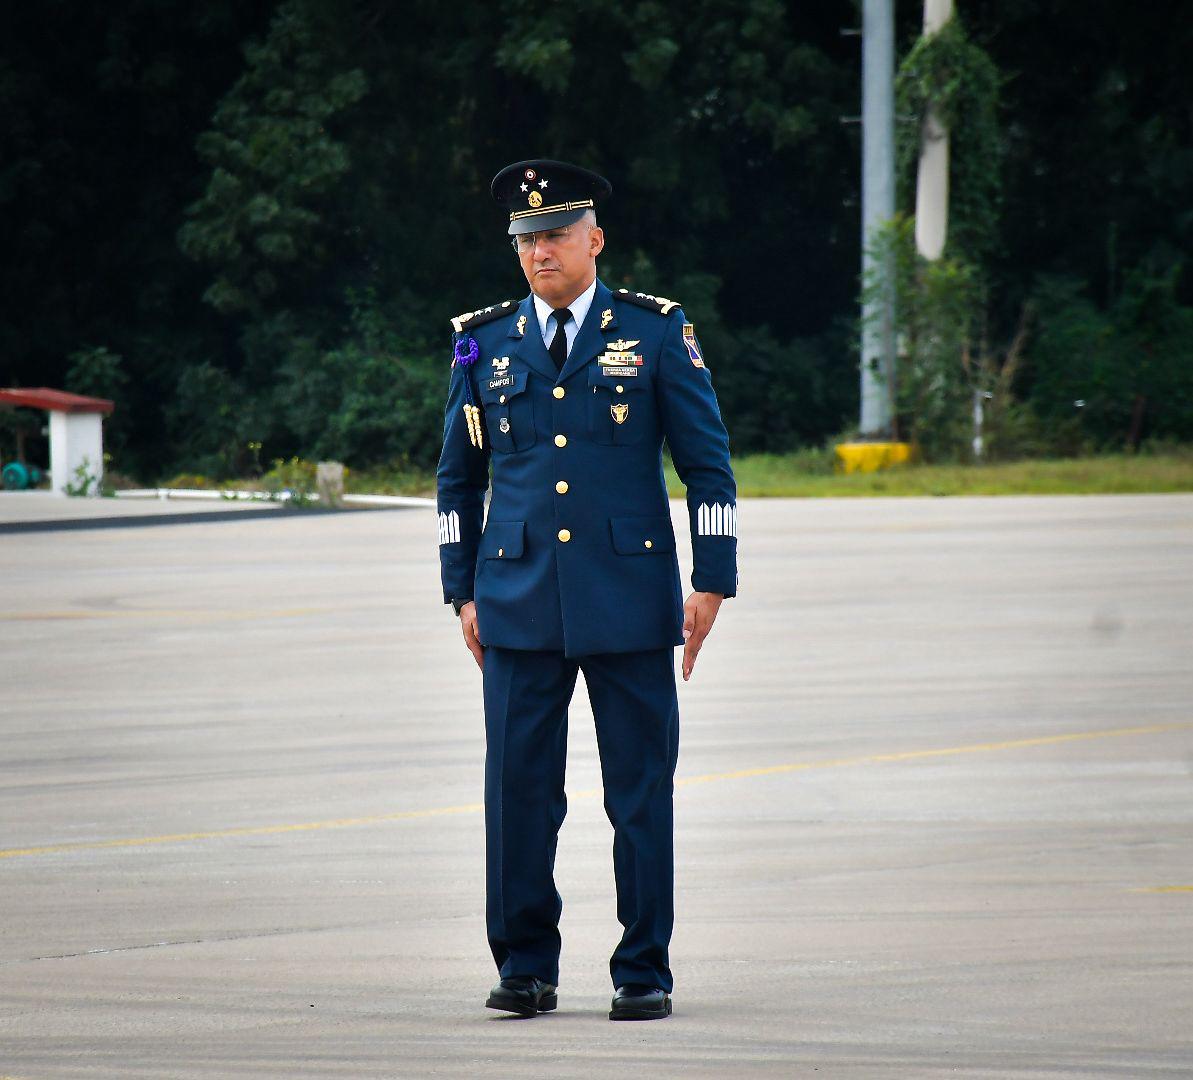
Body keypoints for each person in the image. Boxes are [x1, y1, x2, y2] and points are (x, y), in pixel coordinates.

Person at [436, 158, 737, 1021]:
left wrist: (710, 583)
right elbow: (458, 482)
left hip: (631, 598)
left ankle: (642, 968)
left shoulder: (652, 332)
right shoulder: (482, 344)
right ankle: (524, 966)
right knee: (518, 796)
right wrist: (460, 591)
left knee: (639, 795)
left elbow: (707, 467)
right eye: (526, 240)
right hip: (517, 600)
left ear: (594, 240)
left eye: (556, 235)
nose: (539, 253)